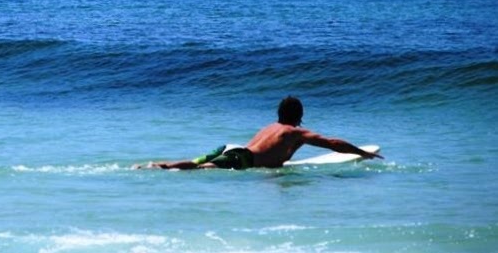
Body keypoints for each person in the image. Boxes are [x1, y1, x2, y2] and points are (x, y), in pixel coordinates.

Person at [134, 96, 383, 170]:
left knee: (195, 163)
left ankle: (157, 165)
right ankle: (158, 168)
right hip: (241, 159)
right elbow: (332, 143)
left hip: (230, 148)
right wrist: (361, 152)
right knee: (199, 170)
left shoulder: (269, 127)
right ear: (298, 115)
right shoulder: (294, 132)